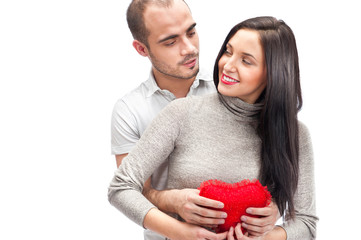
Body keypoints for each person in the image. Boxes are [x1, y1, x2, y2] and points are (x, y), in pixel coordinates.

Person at [109, 16, 318, 240]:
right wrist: (180, 232)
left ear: (273, 74)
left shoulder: (295, 135)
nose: (227, 65)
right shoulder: (181, 113)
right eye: (228, 52)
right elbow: (121, 187)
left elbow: (306, 223)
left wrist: (267, 237)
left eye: (246, 61)